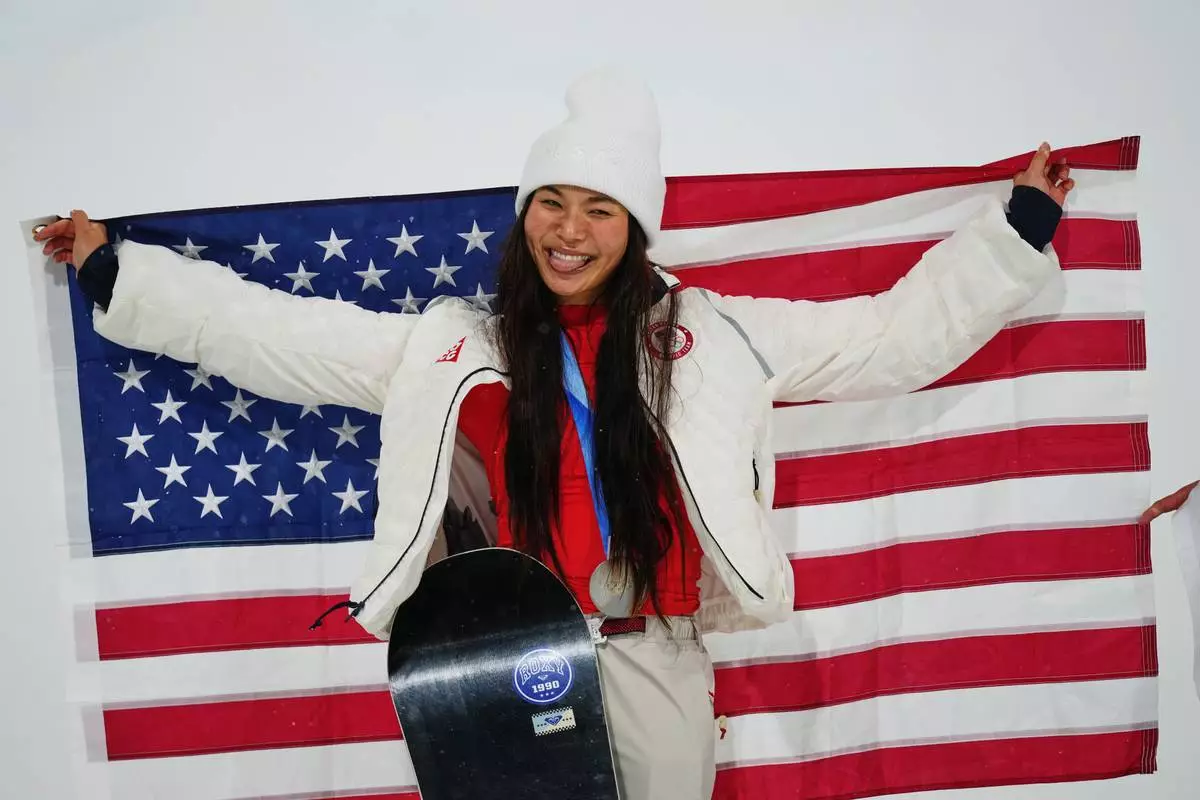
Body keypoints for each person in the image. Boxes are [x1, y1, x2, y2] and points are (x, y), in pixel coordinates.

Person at [35, 69, 1072, 800]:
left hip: (655, 654)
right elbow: (280, 335)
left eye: (599, 211)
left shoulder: (712, 335)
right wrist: (118, 273)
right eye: (552, 204)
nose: (568, 231)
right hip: (504, 653)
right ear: (526, 214)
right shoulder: (458, 345)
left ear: (635, 231)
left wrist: (1012, 235)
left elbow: (884, 339)